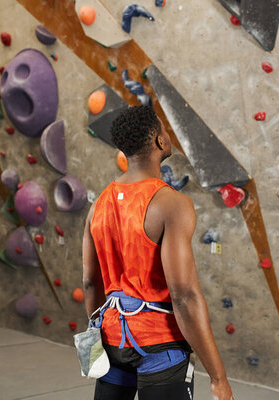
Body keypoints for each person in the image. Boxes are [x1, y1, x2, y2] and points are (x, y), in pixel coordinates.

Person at [82, 105, 234, 400]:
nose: (168, 134)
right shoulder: (171, 203)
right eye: (164, 129)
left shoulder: (97, 206)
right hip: (159, 344)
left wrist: (100, 338)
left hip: (112, 340)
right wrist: (219, 377)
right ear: (160, 142)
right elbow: (184, 295)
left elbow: (90, 282)